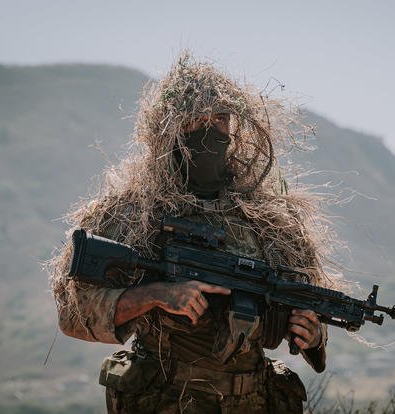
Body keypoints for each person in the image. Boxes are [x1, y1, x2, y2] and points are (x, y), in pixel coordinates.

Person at [48, 53, 338, 413]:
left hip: (254, 401)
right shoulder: (131, 213)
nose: (209, 129)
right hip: (166, 400)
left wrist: (312, 335)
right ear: (169, 127)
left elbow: (306, 302)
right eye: (196, 118)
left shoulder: (272, 220)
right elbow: (74, 314)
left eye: (220, 118)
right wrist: (155, 295)